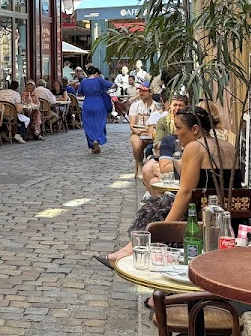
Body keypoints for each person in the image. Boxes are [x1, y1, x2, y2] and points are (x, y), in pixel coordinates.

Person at [99, 106, 238, 266]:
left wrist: (165, 228)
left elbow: (186, 193)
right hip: (229, 211)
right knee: (161, 203)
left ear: (195, 129)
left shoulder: (195, 147)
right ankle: (125, 252)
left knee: (157, 208)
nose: (176, 133)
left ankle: (127, 253)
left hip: (202, 214)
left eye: (179, 128)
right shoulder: (228, 146)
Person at [140, 94, 189, 191]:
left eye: (180, 105)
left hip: (184, 153)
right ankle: (152, 194)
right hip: (164, 153)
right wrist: (170, 144)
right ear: (170, 106)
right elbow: (157, 142)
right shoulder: (163, 121)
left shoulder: (190, 121)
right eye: (175, 105)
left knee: (157, 177)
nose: (177, 108)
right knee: (146, 169)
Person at [75, 65, 114, 154]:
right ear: (96, 73)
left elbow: (80, 93)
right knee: (100, 123)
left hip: (88, 103)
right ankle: (98, 138)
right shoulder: (99, 80)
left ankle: (92, 141)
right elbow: (112, 85)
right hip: (98, 103)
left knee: (88, 124)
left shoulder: (84, 81)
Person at [127, 82, 156, 176]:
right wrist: (140, 133)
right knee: (137, 144)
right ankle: (140, 164)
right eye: (140, 91)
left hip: (153, 133)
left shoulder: (157, 106)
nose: (141, 93)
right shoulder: (135, 106)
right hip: (138, 133)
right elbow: (132, 125)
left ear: (151, 92)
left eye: (144, 91)